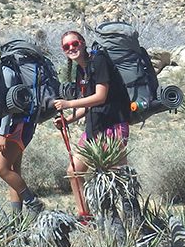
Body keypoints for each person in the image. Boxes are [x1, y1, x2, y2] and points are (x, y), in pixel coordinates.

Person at [51, 30, 131, 216]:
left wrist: (68, 104)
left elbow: (100, 97)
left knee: (117, 177)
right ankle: (85, 216)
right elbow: (88, 102)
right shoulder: (81, 70)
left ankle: (130, 218)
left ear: (83, 43)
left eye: (74, 44)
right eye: (66, 46)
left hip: (113, 125)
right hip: (94, 127)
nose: (71, 48)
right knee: (74, 172)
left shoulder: (99, 60)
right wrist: (69, 119)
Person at [0, 60, 45, 216]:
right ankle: (17, 218)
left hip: (18, 127)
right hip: (23, 124)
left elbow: (9, 105)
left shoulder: (6, 71)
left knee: (1, 169)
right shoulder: (6, 70)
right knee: (14, 170)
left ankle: (33, 202)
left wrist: (2, 133)